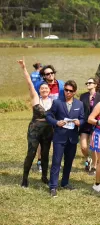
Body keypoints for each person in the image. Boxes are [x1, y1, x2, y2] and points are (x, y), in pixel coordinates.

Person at [17, 58, 53, 188]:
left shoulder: (53, 101)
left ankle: (44, 177)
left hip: (48, 131)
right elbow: (29, 83)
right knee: (31, 153)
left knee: (45, 154)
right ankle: (25, 178)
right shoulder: (35, 97)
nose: (44, 90)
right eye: (42, 88)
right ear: (39, 90)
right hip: (35, 129)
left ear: (49, 90)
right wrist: (24, 68)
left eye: (46, 88)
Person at [46, 80, 84, 197]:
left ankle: (65, 182)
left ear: (74, 92)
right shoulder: (57, 102)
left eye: (70, 91)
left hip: (72, 138)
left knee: (69, 162)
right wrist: (56, 122)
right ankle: (53, 186)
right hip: (59, 137)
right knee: (56, 162)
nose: (67, 92)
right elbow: (48, 115)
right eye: (66, 90)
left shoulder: (79, 104)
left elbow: (83, 118)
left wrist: (79, 122)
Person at [79, 78, 100, 173]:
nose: (88, 84)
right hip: (85, 124)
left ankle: (94, 167)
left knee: (93, 146)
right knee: (83, 147)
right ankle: (88, 158)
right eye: (87, 83)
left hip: (95, 124)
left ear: (95, 85)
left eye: (90, 83)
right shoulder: (83, 96)